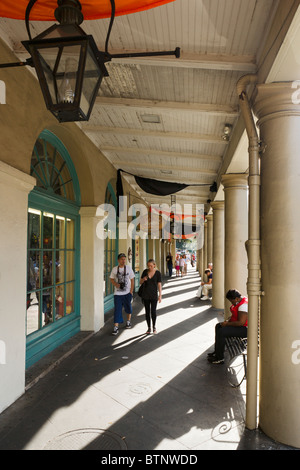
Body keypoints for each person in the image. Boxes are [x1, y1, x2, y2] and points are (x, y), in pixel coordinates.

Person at [207, 289, 248, 364]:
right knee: (218, 326)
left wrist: (227, 324)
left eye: (232, 301)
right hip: (240, 326)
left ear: (236, 298)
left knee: (222, 332)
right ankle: (217, 351)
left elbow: (241, 322)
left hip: (245, 330)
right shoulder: (239, 301)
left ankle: (220, 358)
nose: (231, 303)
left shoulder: (243, 306)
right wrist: (228, 320)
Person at [110, 253, 135, 336]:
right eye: (121, 259)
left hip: (127, 293)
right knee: (117, 309)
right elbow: (111, 278)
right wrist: (115, 284)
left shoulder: (128, 268)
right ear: (118, 260)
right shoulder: (114, 269)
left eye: (124, 259)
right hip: (117, 293)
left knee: (128, 308)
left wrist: (131, 291)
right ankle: (116, 327)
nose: (123, 261)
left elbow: (132, 280)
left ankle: (128, 321)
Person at [140, 259, 162, 334]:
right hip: (146, 295)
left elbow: (159, 284)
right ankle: (149, 328)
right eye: (148, 266)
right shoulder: (145, 272)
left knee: (153, 312)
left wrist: (160, 295)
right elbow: (140, 282)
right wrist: (143, 279)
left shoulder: (158, 273)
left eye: (151, 266)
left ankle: (154, 327)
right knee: (147, 312)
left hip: (154, 295)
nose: (149, 267)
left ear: (154, 265)